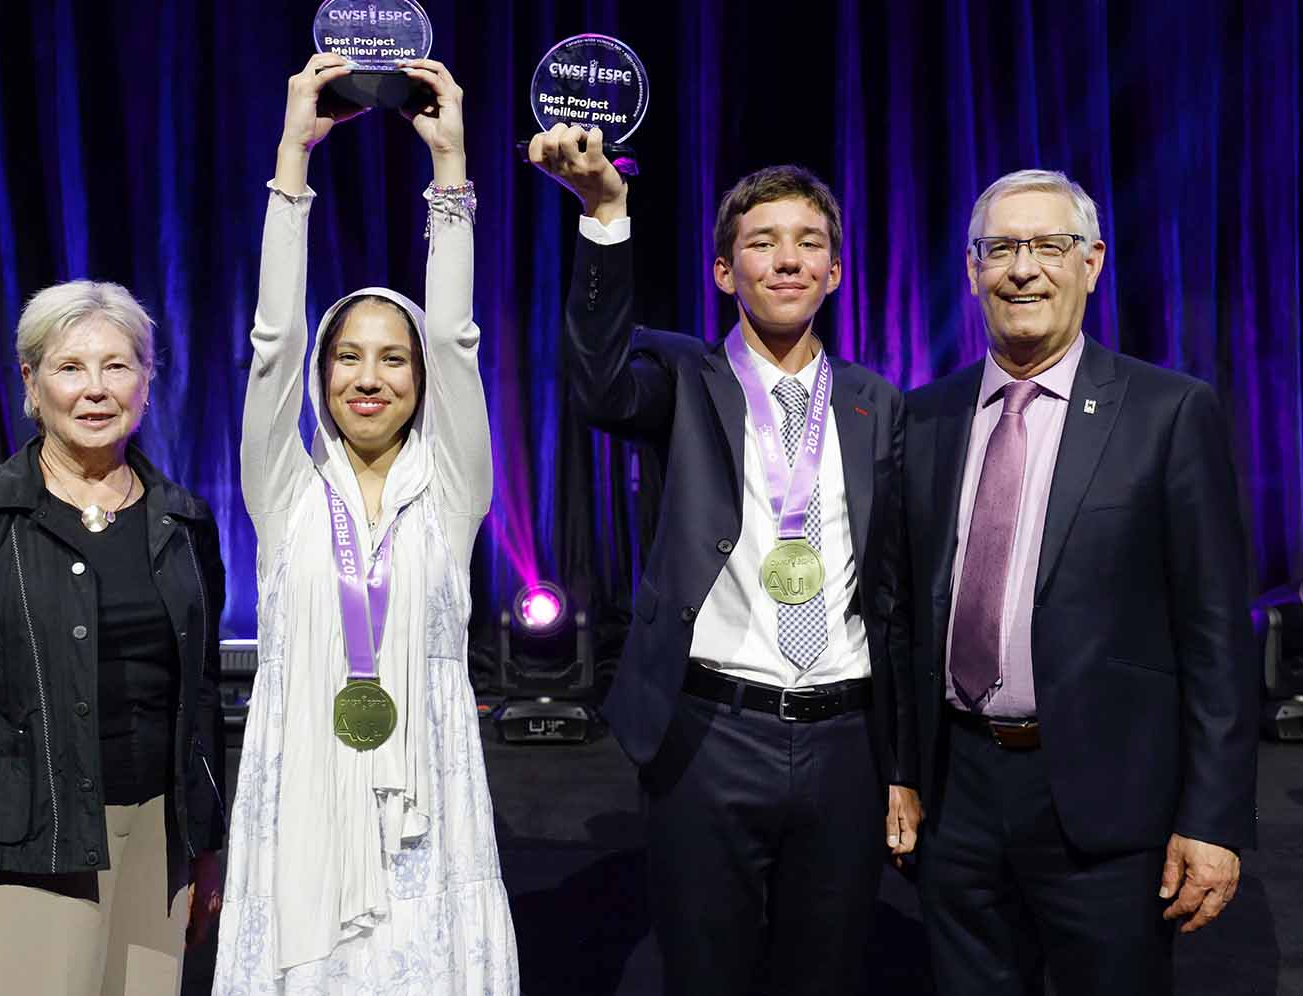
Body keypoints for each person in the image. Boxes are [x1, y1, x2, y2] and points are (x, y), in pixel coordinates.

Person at [529, 126, 920, 995]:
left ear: (835, 272)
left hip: (845, 738)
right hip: (710, 735)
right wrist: (605, 215)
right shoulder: (681, 376)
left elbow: (893, 590)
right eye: (761, 242)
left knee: (827, 973)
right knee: (704, 972)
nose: (787, 259)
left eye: (809, 242)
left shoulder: (877, 404)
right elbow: (595, 380)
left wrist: (901, 766)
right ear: (723, 271)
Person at [902, 169, 1259, 995]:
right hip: (956, 797)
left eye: (1049, 246)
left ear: (1092, 262)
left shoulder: (1168, 412)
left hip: (1107, 810)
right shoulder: (925, 417)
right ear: (972, 270)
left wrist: (1212, 821)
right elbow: (900, 614)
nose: (1023, 268)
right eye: (1001, 249)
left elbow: (1217, 638)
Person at [212, 54, 517, 994]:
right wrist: (291, 165)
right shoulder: (286, 488)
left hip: (428, 790)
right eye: (347, 356)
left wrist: (452, 180)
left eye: (393, 358)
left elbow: (459, 342)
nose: (369, 376)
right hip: (302, 775)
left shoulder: (454, 487)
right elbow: (270, 348)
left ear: (419, 382)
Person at [0, 279, 227, 994]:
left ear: (147, 379)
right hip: (22, 847)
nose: (96, 390)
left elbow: (198, 697)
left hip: (160, 845)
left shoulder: (185, 518)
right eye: (71, 368)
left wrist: (207, 847)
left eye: (117, 366)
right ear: (32, 383)